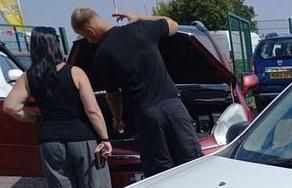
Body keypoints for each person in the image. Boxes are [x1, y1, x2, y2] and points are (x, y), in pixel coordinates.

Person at [70, 8, 202, 177]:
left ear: (90, 30)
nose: (89, 41)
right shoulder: (140, 29)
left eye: (86, 36)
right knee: (193, 162)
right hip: (174, 106)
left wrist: (117, 119)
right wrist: (139, 18)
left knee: (160, 172)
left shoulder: (102, 54)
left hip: (146, 115)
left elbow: (113, 94)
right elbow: (173, 24)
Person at [3, 27, 112, 188]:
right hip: (82, 138)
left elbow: (10, 107)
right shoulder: (75, 72)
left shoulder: (29, 77)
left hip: (50, 141)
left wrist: (36, 119)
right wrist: (104, 138)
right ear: (56, 45)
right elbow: (93, 110)